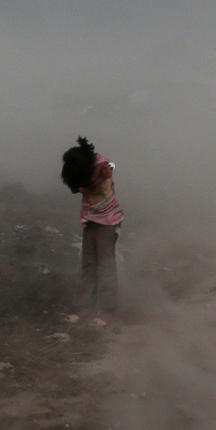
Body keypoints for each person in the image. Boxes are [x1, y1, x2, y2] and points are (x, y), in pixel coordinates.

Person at [60, 137, 123, 321]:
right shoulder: (86, 169)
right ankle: (85, 308)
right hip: (90, 220)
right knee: (89, 265)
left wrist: (97, 177)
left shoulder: (102, 164)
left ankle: (107, 312)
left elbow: (87, 187)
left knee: (105, 266)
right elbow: (77, 188)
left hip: (108, 222)